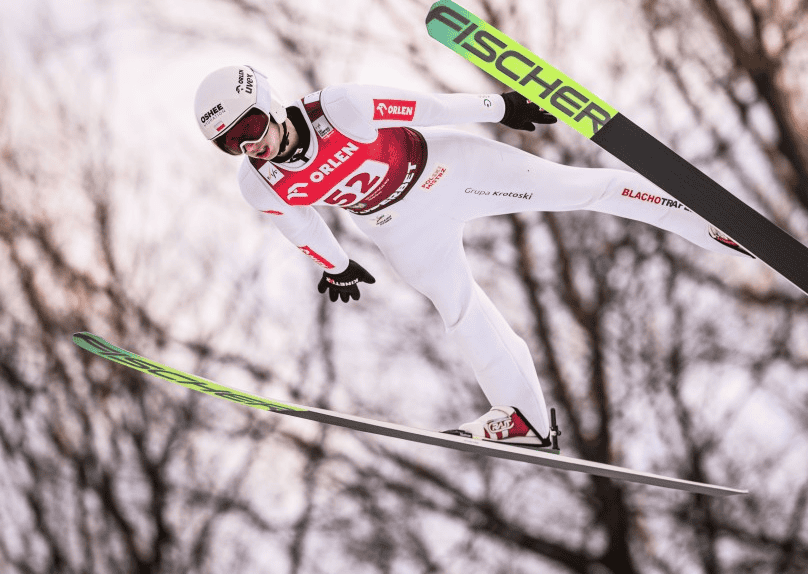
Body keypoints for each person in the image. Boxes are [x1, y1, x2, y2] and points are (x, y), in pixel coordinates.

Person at [194, 65, 750, 448]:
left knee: (580, 189)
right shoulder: (259, 183)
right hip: (397, 226)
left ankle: (709, 222)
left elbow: (426, 107)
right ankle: (524, 418)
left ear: (266, 104)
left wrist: (498, 106)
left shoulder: (339, 109)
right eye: (230, 144)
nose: (249, 146)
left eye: (248, 127)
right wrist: (334, 263)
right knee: (456, 308)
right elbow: (302, 223)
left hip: (447, 169)